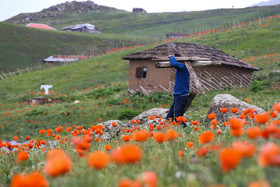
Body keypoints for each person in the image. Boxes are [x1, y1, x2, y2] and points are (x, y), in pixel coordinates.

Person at [166, 53, 190, 128]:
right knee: (169, 116)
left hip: (181, 95)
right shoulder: (181, 69)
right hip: (178, 95)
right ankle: (168, 130)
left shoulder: (183, 67)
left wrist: (172, 57)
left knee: (178, 118)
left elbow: (175, 64)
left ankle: (184, 130)